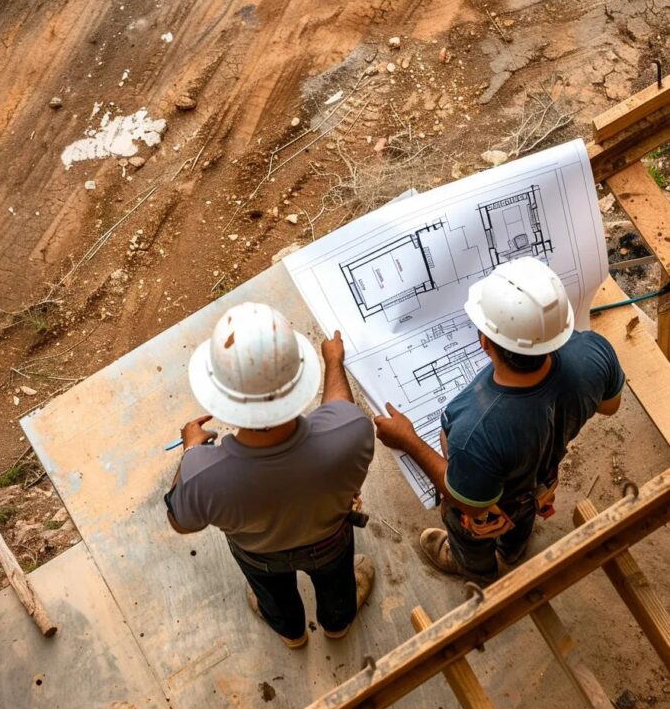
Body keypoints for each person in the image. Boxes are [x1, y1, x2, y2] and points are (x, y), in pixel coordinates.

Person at [373, 256, 625, 586]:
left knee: (470, 532)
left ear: (484, 342)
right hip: (539, 481)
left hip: (494, 502)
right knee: (522, 517)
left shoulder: (476, 431)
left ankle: (480, 574)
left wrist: (409, 440)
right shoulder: (594, 351)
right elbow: (610, 406)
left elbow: (466, 502)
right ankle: (512, 551)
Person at [165, 301, 375, 648]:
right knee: (337, 582)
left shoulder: (201, 474)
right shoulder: (350, 431)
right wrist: (334, 362)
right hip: (329, 541)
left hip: (259, 556)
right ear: (297, 381)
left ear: (221, 398)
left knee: (272, 594)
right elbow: (339, 409)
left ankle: (290, 633)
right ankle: (337, 625)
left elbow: (180, 522)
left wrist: (191, 451)